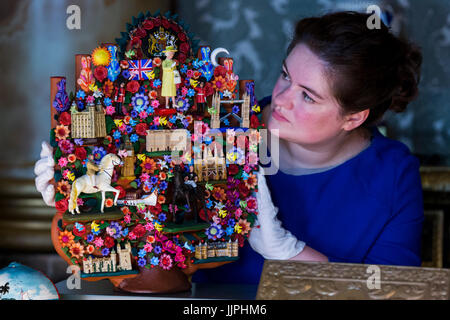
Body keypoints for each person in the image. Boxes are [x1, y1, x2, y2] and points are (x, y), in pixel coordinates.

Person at [192, 11, 424, 285]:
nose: (281, 100)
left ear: (353, 117)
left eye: (307, 96)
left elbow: (390, 291)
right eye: (286, 75)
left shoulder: (393, 175)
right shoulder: (220, 130)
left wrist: (287, 252)